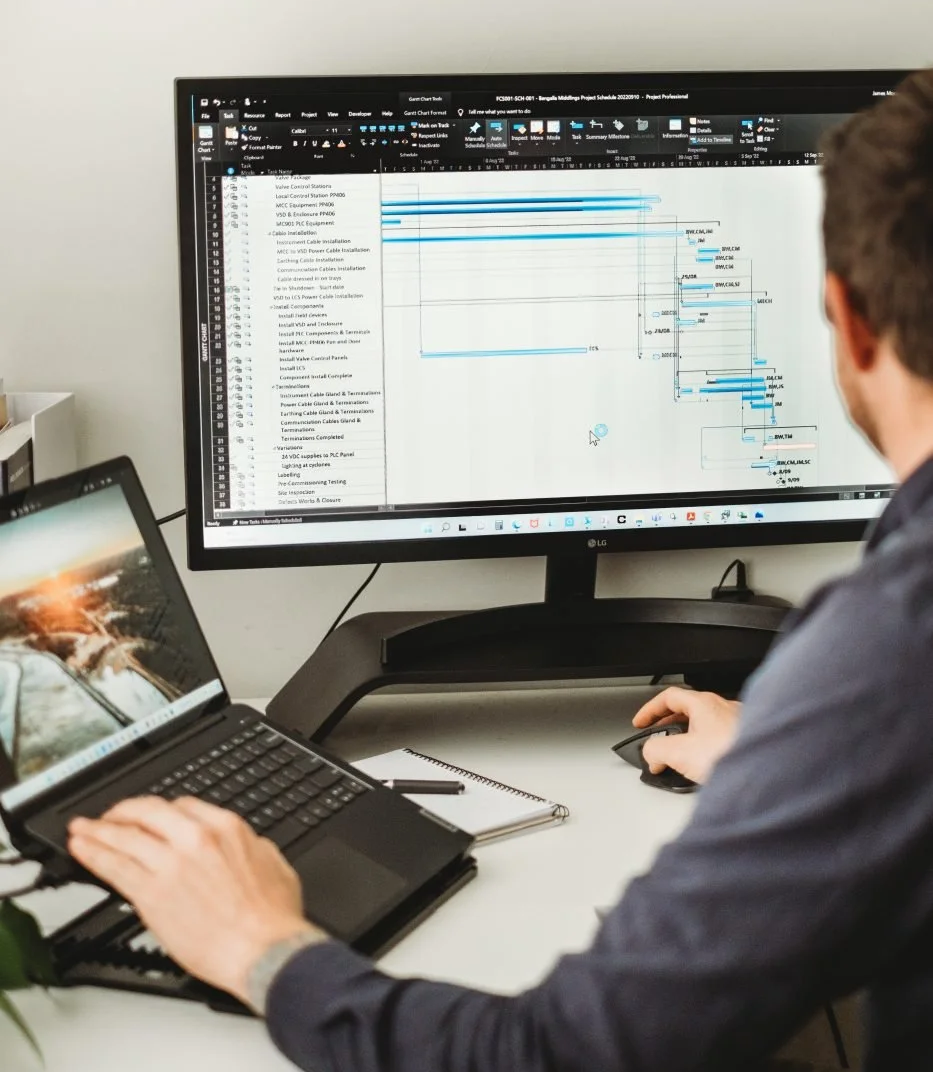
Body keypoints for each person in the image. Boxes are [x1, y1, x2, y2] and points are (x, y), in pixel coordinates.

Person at [68, 69, 933, 1071]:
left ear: (848, 315)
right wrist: (799, 763)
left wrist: (260, 948)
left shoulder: (893, 648)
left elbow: (554, 1056)